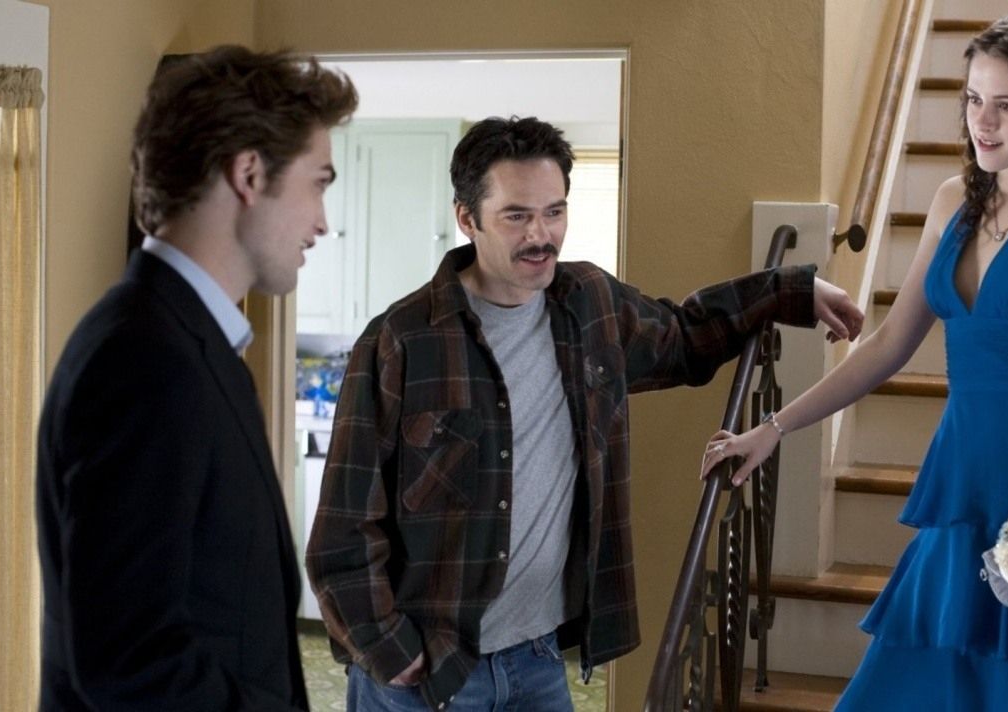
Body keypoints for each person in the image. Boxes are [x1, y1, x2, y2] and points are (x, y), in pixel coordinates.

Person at [306, 115, 864, 711]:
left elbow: (687, 335)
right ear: (467, 219)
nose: (541, 235)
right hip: (431, 674)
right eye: (516, 216)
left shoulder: (591, 305)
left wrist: (790, 291)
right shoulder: (400, 340)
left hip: (538, 662)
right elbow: (344, 527)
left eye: (555, 211)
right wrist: (389, 650)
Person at [702, 14, 1008, 710]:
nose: (983, 121)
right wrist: (774, 428)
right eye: (973, 98)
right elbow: (886, 344)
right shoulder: (953, 201)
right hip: (963, 484)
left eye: (1007, 104)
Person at [36, 46, 357, 711]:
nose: (323, 222)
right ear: (249, 174)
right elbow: (130, 661)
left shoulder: (189, 340)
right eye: (318, 182)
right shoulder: (145, 360)